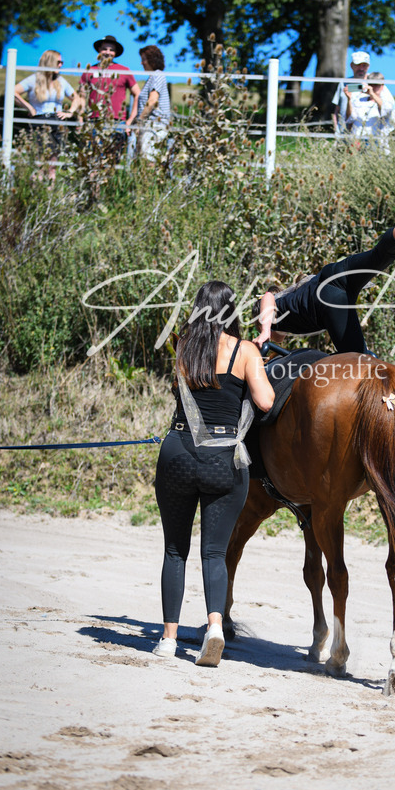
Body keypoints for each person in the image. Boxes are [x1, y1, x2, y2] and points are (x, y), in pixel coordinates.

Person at [154, 281, 274, 666]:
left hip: (178, 451)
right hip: (224, 460)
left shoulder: (183, 348)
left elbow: (181, 391)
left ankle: (169, 640)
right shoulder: (245, 352)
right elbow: (265, 401)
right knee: (215, 552)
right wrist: (258, 355)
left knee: (175, 550)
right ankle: (216, 628)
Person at [254, 198, 395, 355]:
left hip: (328, 298)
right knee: (380, 256)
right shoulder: (295, 302)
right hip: (335, 275)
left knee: (359, 361)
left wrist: (264, 331)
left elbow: (267, 297)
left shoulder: (278, 316)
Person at [13, 49, 80, 179]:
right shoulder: (33, 79)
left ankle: (50, 196)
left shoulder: (61, 81)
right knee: (38, 164)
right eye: (58, 62)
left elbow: (76, 98)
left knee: (52, 165)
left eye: (62, 62)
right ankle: (36, 194)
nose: (61, 65)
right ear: (49, 62)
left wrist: (69, 112)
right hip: (39, 121)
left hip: (57, 122)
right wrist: (29, 108)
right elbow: (13, 91)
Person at [78, 34, 140, 160]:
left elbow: (137, 93)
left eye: (111, 50)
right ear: (99, 50)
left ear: (115, 53)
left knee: (112, 160)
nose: (108, 52)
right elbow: (81, 96)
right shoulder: (90, 70)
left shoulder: (124, 71)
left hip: (117, 122)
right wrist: (80, 119)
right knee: (93, 159)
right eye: (105, 49)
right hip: (94, 121)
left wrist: (130, 120)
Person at [343, 71, 395, 152]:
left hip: (376, 144)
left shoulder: (386, 100)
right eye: (371, 84)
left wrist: (372, 94)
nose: (374, 87)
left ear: (382, 86)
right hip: (357, 143)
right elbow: (350, 118)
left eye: (377, 85)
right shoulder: (359, 100)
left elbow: (387, 111)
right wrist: (349, 99)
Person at [135, 45, 171, 160]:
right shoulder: (152, 78)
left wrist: (140, 121)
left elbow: (152, 101)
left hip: (154, 126)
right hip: (149, 126)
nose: (141, 63)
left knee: (149, 160)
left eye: (143, 59)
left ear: (152, 59)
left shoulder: (158, 75)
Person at [331, 50, 371, 135]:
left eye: (364, 65)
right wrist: (336, 130)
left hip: (366, 134)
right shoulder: (343, 83)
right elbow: (336, 110)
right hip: (344, 133)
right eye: (357, 65)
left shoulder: (374, 83)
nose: (361, 68)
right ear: (351, 66)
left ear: (368, 66)